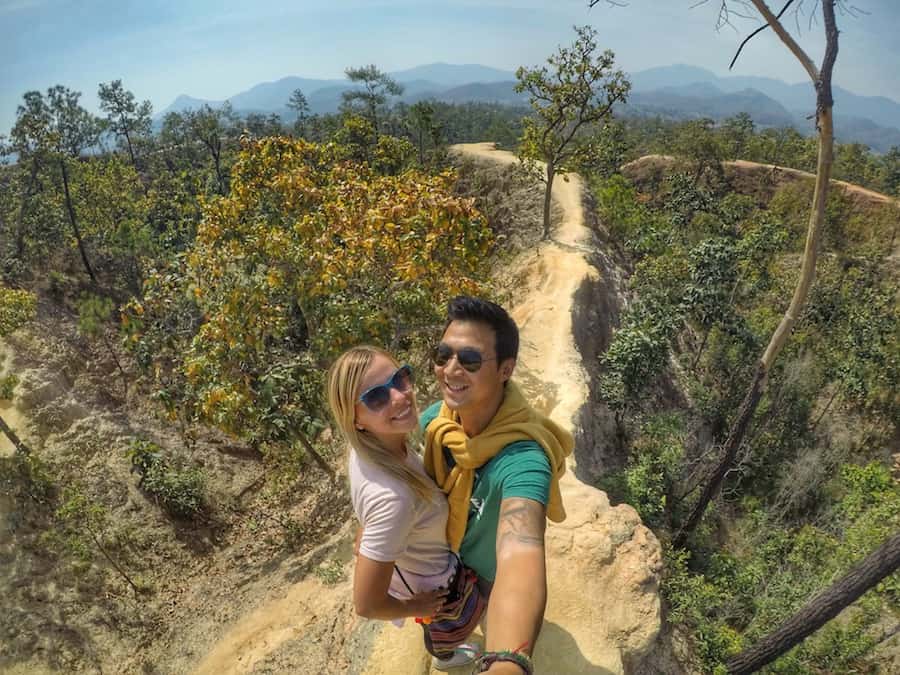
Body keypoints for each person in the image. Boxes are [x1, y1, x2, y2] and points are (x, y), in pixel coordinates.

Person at [421, 296, 574, 675]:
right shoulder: (436, 422)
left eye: (470, 360)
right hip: (443, 560)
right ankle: (446, 654)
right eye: (443, 356)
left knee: (488, 614)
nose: (451, 369)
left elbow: (521, 549)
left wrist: (508, 662)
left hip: (490, 573)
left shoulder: (524, 460)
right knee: (439, 630)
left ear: (505, 369)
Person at [326, 345, 483, 671]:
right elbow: (366, 603)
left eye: (400, 378)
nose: (399, 396)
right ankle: (445, 656)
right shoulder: (393, 497)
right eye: (376, 397)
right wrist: (413, 605)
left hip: (415, 564)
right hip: (432, 583)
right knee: (444, 626)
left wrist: (366, 533)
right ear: (355, 418)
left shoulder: (369, 449)